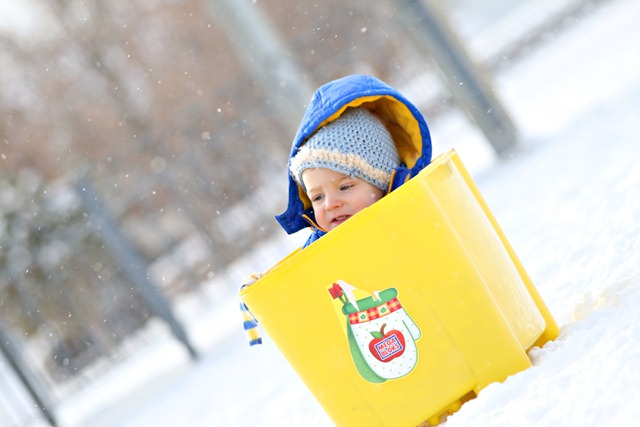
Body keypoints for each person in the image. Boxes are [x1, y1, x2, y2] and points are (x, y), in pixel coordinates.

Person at [241, 74, 433, 345]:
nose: (331, 204)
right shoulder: (321, 246)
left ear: (382, 182)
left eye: (345, 187)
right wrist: (266, 291)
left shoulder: (417, 212)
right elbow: (301, 284)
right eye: (317, 197)